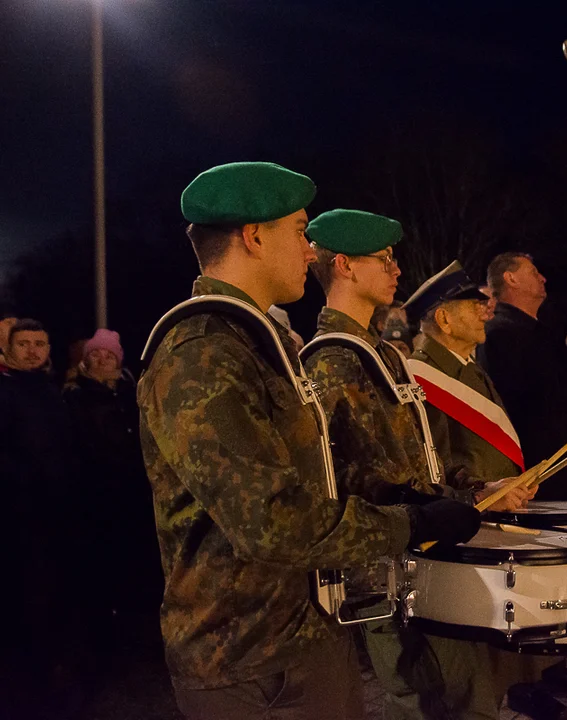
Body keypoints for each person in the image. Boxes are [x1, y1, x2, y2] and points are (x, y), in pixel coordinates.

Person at [138, 163, 478, 720]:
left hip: (301, 637)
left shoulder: (251, 342)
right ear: (254, 237)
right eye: (300, 232)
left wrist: (402, 499)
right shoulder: (203, 353)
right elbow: (271, 520)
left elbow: (316, 472)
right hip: (249, 657)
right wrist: (409, 525)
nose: (310, 249)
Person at [303, 211, 524, 720]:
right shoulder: (335, 360)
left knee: (467, 698)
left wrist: (480, 484)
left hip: (417, 560)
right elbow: (371, 483)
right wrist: (464, 502)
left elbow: (419, 458)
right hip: (390, 572)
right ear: (344, 267)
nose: (396, 268)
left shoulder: (377, 353)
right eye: (383, 258)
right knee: (441, 704)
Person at [405, 260, 567, 719]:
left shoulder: (467, 366)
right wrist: (484, 489)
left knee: (497, 659)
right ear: (443, 318)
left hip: (494, 516)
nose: (486, 310)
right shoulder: (423, 375)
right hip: (464, 528)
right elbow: (434, 459)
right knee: (471, 675)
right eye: (472, 305)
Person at [0, 319, 84, 718]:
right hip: (19, 525)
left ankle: (52, 685)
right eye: (24, 344)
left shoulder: (51, 394)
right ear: (8, 349)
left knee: (54, 607)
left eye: (39, 343)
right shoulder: (5, 393)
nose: (32, 351)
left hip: (57, 522)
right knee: (25, 610)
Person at [63, 329, 161, 634]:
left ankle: (135, 626)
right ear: (85, 360)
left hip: (134, 495)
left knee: (135, 565)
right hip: (99, 498)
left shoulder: (131, 394)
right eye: (96, 353)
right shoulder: (77, 398)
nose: (103, 359)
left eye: (110, 354)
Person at [478, 252, 567, 500]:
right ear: (511, 279)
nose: (543, 278)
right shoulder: (499, 334)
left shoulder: (539, 330)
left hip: (561, 460)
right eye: (533, 272)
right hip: (537, 467)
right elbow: (537, 398)